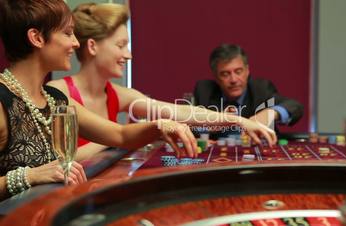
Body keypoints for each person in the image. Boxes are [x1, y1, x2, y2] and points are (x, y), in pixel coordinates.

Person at [0, 0, 200, 200]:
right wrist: (29, 175)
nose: (76, 43)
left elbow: (120, 134)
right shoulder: (3, 100)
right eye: (68, 33)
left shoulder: (55, 100)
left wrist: (159, 126)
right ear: (37, 38)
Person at [48, 3, 277, 160]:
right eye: (120, 46)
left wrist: (237, 121)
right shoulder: (56, 93)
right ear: (92, 47)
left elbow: (182, 113)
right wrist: (122, 136)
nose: (129, 55)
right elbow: (58, 160)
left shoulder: (120, 94)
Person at [193, 44, 304, 137]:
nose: (233, 80)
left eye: (238, 71)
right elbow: (186, 126)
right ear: (216, 77)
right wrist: (208, 125)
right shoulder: (204, 91)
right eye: (225, 74)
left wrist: (270, 113)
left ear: (247, 71)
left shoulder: (261, 89)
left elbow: (295, 106)